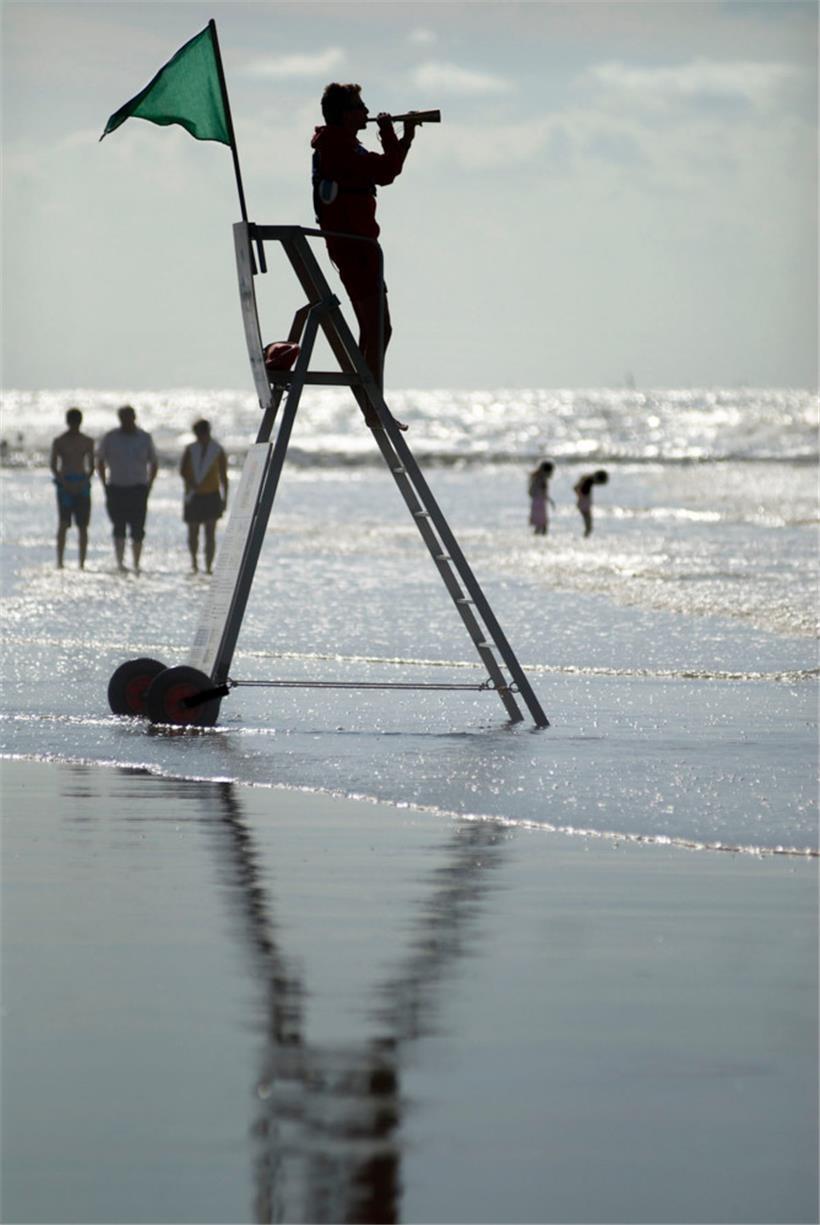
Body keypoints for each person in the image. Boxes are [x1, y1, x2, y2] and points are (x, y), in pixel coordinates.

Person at [311, 82, 419, 419]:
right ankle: (373, 404)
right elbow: (386, 171)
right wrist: (393, 135)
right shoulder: (338, 147)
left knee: (375, 329)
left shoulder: (340, 145)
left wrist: (403, 138)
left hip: (358, 248)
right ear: (344, 115)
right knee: (378, 328)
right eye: (360, 107)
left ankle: (368, 398)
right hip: (355, 249)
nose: (367, 112)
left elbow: (385, 169)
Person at [96, 405, 158, 573]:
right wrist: (104, 483)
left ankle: (137, 563)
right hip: (116, 487)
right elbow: (100, 460)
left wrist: (150, 484)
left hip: (138, 488)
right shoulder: (110, 437)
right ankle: (120, 563)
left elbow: (154, 462)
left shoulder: (144, 437)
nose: (127, 421)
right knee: (118, 526)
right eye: (123, 417)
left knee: (138, 528)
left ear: (134, 417)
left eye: (129, 417)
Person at [179, 419, 229, 574]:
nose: (199, 437)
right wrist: (192, 484)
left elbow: (223, 476)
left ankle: (208, 566)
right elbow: (182, 471)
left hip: (212, 496)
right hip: (193, 495)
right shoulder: (190, 449)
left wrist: (225, 498)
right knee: (193, 532)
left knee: (210, 534)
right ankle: (194, 562)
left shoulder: (217, 449)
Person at [50, 407, 95, 569]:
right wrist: (64, 483)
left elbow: (91, 467)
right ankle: (60, 561)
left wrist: (83, 482)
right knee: (63, 523)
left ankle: (81, 563)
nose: (74, 425)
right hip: (65, 484)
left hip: (81, 483)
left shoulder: (87, 441)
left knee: (82, 526)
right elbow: (53, 466)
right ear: (68, 422)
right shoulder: (59, 441)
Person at [574, 469, 609, 537]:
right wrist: (581, 497)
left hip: (584, 503)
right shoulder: (587, 481)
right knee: (589, 526)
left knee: (588, 526)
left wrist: (580, 497)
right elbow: (575, 488)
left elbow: (576, 488)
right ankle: (585, 538)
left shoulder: (588, 480)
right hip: (584, 504)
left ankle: (585, 537)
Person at [528, 460, 555, 537]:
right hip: (540, 503)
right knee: (543, 524)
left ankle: (537, 538)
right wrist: (550, 501)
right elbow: (543, 493)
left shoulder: (537, 478)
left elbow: (531, 492)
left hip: (537, 502)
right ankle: (541, 538)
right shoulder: (542, 480)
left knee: (540, 524)